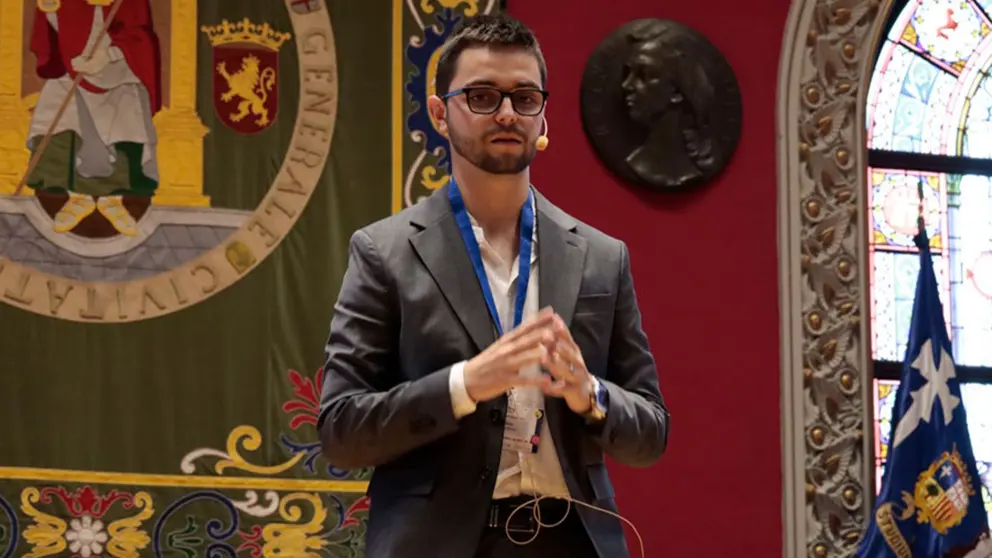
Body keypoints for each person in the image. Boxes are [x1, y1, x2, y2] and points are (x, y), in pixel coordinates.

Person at [318, 14, 669, 558]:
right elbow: (341, 431)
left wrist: (591, 395)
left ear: (542, 115)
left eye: (524, 98)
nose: (506, 113)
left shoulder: (603, 257)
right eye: (482, 97)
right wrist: (465, 383)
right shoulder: (383, 253)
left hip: (570, 542)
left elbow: (651, 433)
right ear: (440, 113)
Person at [27, 0, 162, 236]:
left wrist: (108, 55)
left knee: (121, 126)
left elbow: (138, 35)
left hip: (116, 72)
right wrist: (51, 14)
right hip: (71, 70)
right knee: (62, 124)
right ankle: (78, 199)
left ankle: (113, 200)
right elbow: (54, 29)